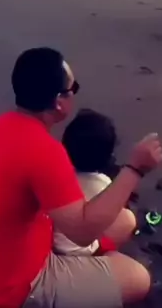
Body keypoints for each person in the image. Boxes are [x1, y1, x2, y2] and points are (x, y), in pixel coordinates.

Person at [0, 47, 162, 308]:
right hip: (9, 289)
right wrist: (135, 169)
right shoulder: (44, 151)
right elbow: (82, 233)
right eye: (72, 88)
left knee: (124, 220)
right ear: (58, 101)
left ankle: (85, 275)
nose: (74, 94)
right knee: (138, 279)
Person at [53, 109, 124, 257]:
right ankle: (102, 257)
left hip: (54, 244)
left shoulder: (55, 173)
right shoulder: (104, 184)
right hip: (80, 251)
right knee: (126, 220)